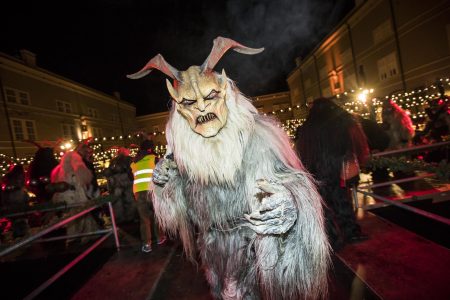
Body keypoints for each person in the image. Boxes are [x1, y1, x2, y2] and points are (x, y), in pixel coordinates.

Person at [128, 37, 330, 299]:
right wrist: (167, 185)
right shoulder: (184, 154)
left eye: (210, 96)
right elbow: (182, 215)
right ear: (178, 107)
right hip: (213, 251)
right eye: (189, 102)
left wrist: (288, 205)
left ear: (224, 92)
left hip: (254, 250)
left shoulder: (257, 137)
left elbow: (292, 183)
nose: (201, 107)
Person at [295, 97, 369, 250]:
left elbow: (301, 152)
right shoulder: (339, 123)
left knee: (324, 206)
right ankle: (351, 232)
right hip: (336, 167)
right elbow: (351, 143)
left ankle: (332, 239)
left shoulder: (307, 127)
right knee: (342, 200)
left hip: (316, 170)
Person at [131, 140, 166, 253]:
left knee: (144, 218)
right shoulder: (154, 158)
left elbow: (131, 175)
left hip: (138, 192)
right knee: (156, 215)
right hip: (152, 190)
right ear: (150, 149)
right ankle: (159, 238)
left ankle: (147, 244)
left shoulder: (134, 162)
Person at [104, 147, 136, 224]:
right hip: (127, 182)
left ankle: (119, 218)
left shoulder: (113, 161)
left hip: (116, 184)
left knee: (117, 201)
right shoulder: (129, 159)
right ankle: (130, 217)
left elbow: (108, 172)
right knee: (130, 200)